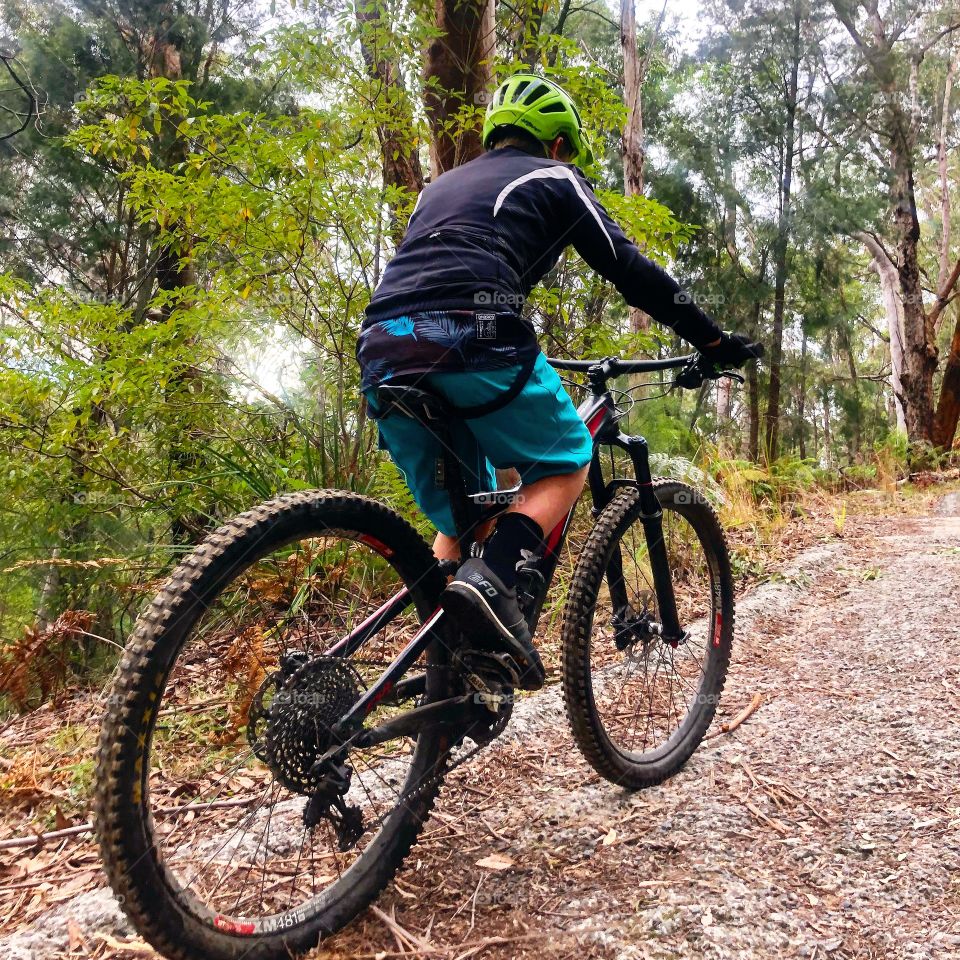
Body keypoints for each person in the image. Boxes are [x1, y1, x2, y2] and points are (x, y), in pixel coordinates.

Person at [356, 73, 758, 690]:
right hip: (476, 332)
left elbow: (429, 271)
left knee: (464, 520)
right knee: (568, 457)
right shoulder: (556, 177)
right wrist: (712, 340)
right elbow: (631, 270)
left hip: (383, 346)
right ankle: (492, 584)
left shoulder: (437, 189)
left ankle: (449, 667)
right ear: (559, 143)